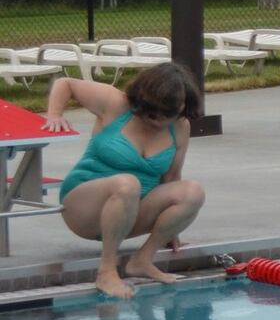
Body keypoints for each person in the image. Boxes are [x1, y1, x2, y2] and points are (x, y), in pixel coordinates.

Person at [43, 64, 207, 299]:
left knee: (193, 192)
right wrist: (55, 114)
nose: (156, 121)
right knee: (127, 183)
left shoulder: (180, 128)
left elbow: (171, 177)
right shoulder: (116, 104)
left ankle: (142, 260)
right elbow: (66, 83)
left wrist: (172, 226)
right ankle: (106, 271)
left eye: (165, 116)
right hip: (84, 208)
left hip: (130, 213)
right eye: (151, 113)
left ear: (181, 108)